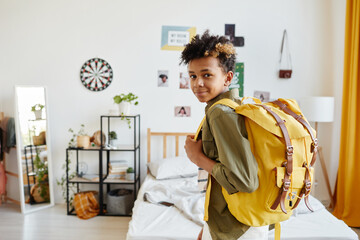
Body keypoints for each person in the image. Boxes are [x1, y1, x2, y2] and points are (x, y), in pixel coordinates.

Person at [181, 31, 267, 240]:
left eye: (206, 74)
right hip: (236, 220)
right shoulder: (232, 107)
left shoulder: (220, 113)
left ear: (228, 77)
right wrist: (208, 225)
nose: (197, 83)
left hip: (237, 229)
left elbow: (244, 181)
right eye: (193, 75)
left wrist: (197, 158)